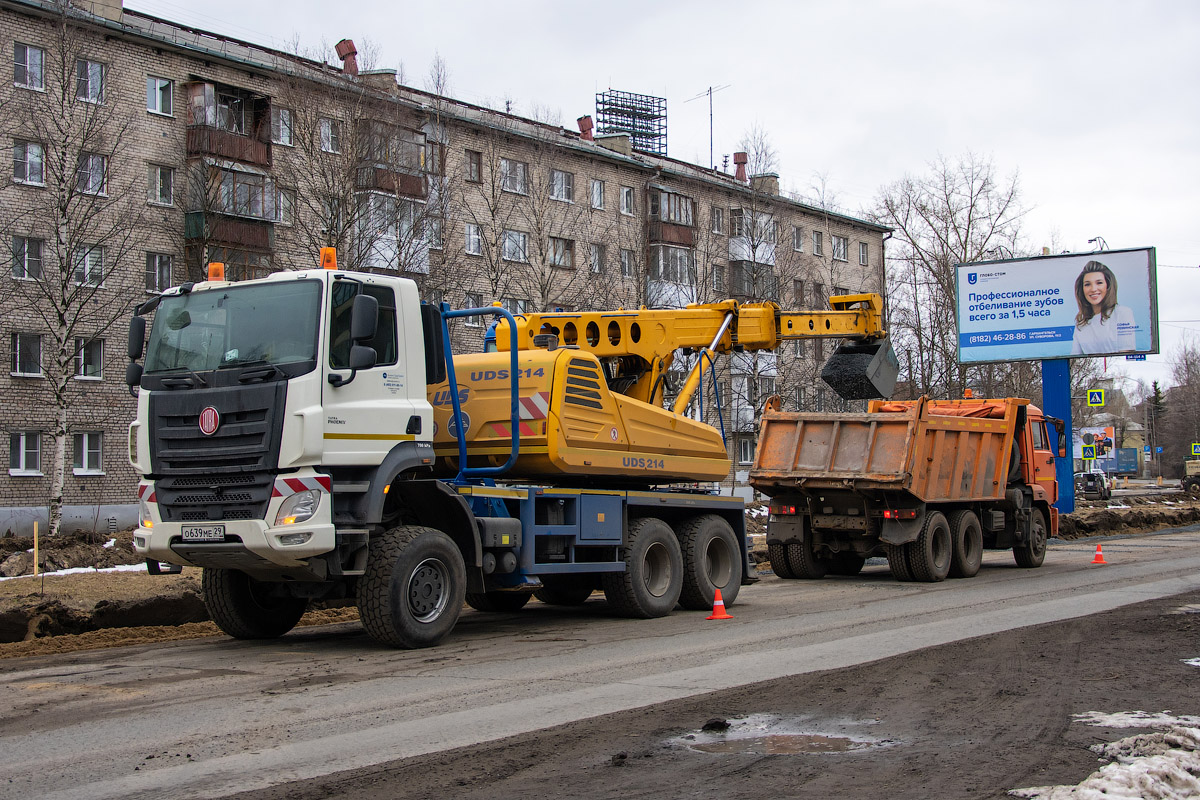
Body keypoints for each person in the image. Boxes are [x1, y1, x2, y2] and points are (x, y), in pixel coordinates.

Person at [1070, 260, 1136, 355]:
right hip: (1093, 369)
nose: (1093, 289)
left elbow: (1126, 352)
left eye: (1099, 283)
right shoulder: (1081, 325)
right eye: (1087, 284)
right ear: (1082, 289)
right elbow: (1074, 358)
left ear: (1108, 285)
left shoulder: (1122, 313)